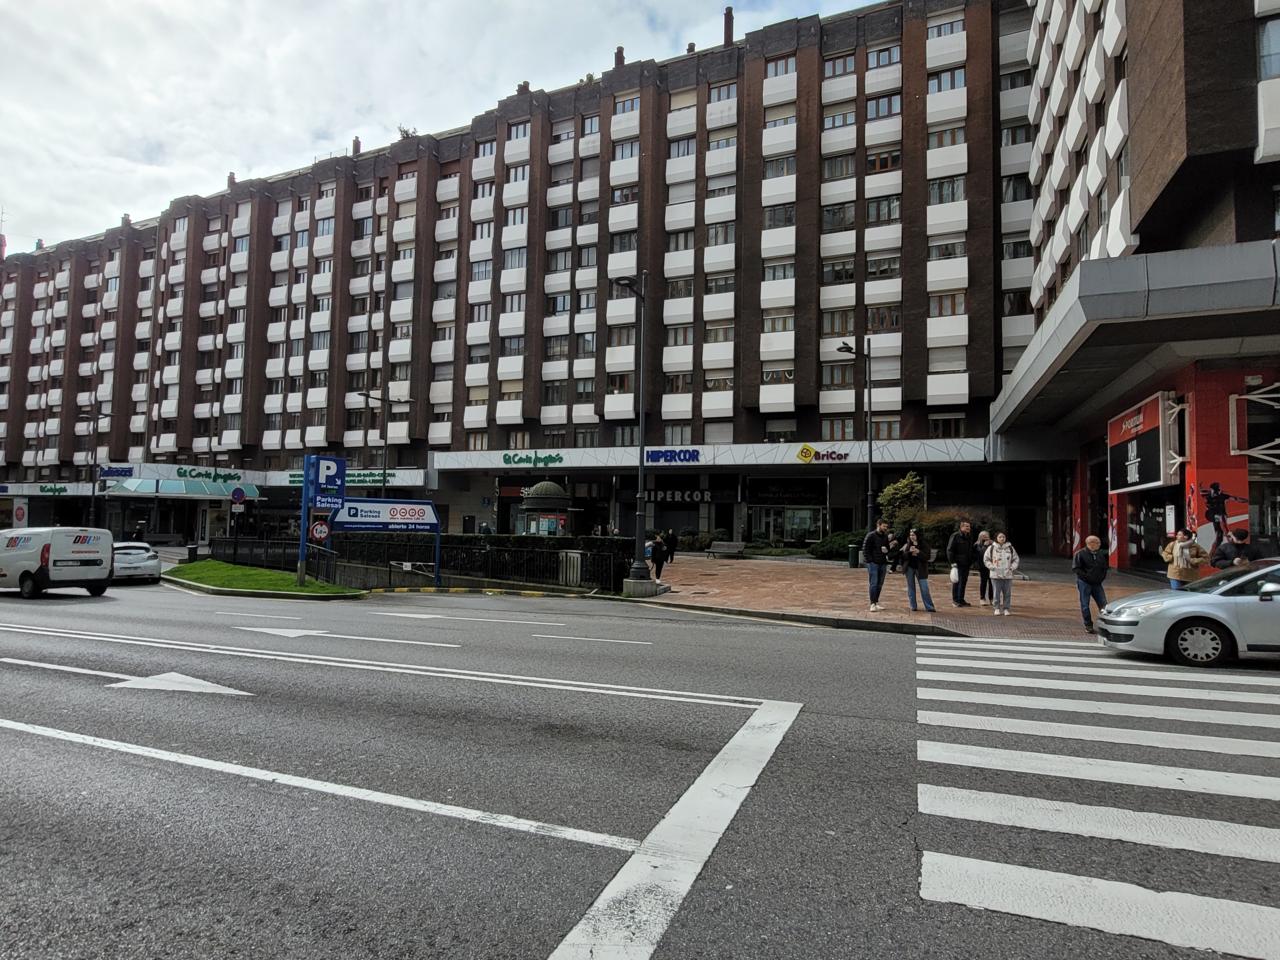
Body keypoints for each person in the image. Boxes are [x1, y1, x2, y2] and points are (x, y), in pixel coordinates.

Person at [1072, 535, 1109, 634]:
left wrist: (1101, 578)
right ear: (1090, 544)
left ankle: (1105, 624)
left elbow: (1104, 568)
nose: (1099, 545)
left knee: (1104, 604)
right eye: (1097, 543)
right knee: (1085, 604)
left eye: (1099, 543)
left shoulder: (1100, 554)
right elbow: (1076, 569)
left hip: (1097, 583)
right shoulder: (1080, 554)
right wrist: (1087, 577)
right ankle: (1088, 624)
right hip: (1085, 582)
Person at [862, 518, 897, 612]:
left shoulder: (885, 537)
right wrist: (870, 561)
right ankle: (872, 604)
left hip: (882, 563)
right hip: (873, 563)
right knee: (873, 583)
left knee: (880, 584)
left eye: (886, 526)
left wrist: (889, 548)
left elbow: (887, 549)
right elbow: (865, 549)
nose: (886, 528)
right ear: (879, 525)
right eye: (884, 526)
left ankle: (875, 602)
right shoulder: (871, 536)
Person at [983, 531, 1020, 616]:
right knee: (996, 593)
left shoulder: (1010, 548)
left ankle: (1006, 608)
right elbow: (986, 559)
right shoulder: (991, 548)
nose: (1002, 538)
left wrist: (1012, 568)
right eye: (1000, 537)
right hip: (995, 575)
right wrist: (991, 567)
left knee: (1007, 593)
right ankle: (996, 608)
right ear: (996, 538)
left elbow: (1016, 559)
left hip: (1008, 575)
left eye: (1003, 537)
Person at [902, 529, 936, 613]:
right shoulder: (908, 544)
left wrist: (918, 552)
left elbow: (927, 557)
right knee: (911, 587)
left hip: (920, 569)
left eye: (913, 535)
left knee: (924, 588)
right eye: (910, 535)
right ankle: (913, 606)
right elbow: (903, 556)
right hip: (910, 568)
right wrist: (909, 552)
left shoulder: (924, 544)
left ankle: (929, 607)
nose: (911, 536)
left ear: (918, 535)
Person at [945, 521, 974, 607]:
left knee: (963, 582)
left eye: (969, 526)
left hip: (966, 563)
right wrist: (952, 562)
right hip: (958, 563)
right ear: (961, 527)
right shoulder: (955, 536)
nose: (968, 528)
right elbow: (950, 550)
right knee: (957, 581)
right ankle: (955, 600)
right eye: (966, 526)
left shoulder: (969, 536)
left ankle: (961, 599)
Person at [971, 530, 993, 606]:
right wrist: (985, 546)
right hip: (982, 566)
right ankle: (982, 598)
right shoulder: (976, 545)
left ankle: (991, 598)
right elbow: (980, 554)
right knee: (983, 582)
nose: (985, 537)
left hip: (991, 566)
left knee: (991, 583)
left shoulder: (992, 544)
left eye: (986, 535)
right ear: (980, 536)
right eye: (983, 535)